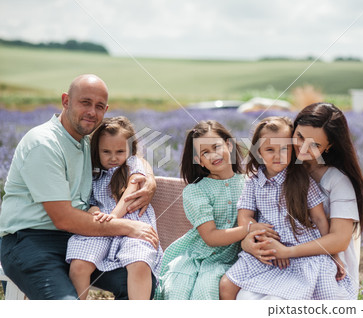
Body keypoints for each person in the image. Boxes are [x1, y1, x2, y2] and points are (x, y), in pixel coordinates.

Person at [0, 74, 157, 300]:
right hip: (30, 241)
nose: (92, 112)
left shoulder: (86, 142)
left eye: (99, 106)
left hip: (75, 237)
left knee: (137, 282)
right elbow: (63, 219)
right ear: (66, 101)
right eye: (85, 103)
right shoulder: (44, 143)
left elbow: (127, 153)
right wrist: (127, 227)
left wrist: (148, 176)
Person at [241, 103, 363, 299]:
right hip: (276, 260)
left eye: (314, 145)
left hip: (323, 263)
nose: (302, 148)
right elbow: (252, 216)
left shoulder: (337, 181)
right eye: (300, 136)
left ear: (329, 146)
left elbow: (339, 239)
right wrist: (248, 243)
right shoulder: (274, 170)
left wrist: (287, 252)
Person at [219, 116, 353, 300]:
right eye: (270, 149)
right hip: (267, 248)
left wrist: (333, 254)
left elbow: (320, 218)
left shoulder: (302, 179)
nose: (278, 155)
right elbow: (245, 217)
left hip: (302, 250)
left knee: (300, 293)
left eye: (285, 149)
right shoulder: (253, 182)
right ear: (259, 152)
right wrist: (261, 236)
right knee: (226, 285)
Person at [155, 120, 276, 300]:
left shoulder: (250, 183)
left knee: (207, 290)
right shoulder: (195, 191)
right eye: (205, 152)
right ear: (199, 160)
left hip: (230, 258)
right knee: (176, 291)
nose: (213, 155)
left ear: (228, 145)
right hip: (194, 256)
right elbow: (210, 237)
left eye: (216, 147)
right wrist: (249, 228)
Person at [66, 116, 163, 300]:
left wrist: (113, 217)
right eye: (106, 152)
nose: (113, 157)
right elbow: (90, 201)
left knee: (140, 261)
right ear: (97, 150)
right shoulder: (93, 172)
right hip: (102, 225)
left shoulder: (133, 164)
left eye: (120, 151)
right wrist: (94, 212)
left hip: (133, 225)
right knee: (79, 265)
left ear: (130, 149)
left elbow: (132, 190)